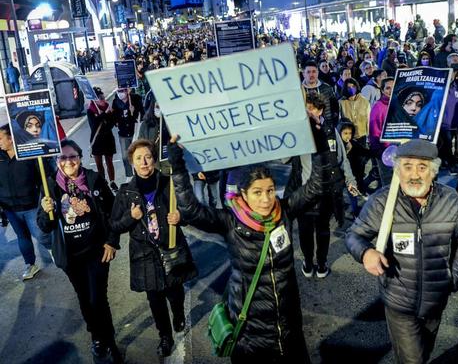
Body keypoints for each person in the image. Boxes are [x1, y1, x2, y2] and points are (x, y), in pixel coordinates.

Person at [168, 128, 329, 363]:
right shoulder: (229, 222)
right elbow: (191, 210)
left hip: (289, 330)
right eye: (257, 192)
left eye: (270, 191)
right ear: (243, 194)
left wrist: (320, 140)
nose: (266, 199)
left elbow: (317, 186)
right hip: (250, 337)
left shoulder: (284, 211)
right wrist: (177, 162)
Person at [345, 139, 458, 364]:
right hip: (399, 303)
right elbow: (354, 235)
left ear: (433, 171)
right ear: (398, 170)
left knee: (424, 353)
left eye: (422, 167)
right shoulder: (383, 201)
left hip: (436, 300)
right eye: (407, 166)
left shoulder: (450, 199)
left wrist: (454, 277)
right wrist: (366, 253)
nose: (414, 174)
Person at [110, 139, 197, 357]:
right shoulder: (125, 192)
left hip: (170, 248)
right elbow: (115, 225)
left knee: (175, 292)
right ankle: (164, 336)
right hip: (144, 255)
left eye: (148, 157)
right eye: (138, 158)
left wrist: (180, 217)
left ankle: (178, 315)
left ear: (154, 160)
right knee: (155, 300)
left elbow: (189, 209)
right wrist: (132, 216)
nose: (144, 162)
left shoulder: (168, 184)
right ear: (132, 163)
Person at [37, 139, 121, 363]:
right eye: (63, 157)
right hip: (71, 258)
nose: (68, 161)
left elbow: (114, 213)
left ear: (80, 157)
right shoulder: (50, 187)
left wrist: (112, 242)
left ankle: (109, 340)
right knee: (84, 298)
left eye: (72, 156)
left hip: (97, 252)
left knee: (98, 299)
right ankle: (97, 336)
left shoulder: (94, 179)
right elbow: (43, 226)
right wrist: (46, 212)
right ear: (57, 161)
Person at [289, 94, 357, 278]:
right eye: (307, 109)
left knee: (323, 229)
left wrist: (351, 182)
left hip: (327, 192)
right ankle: (308, 261)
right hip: (304, 192)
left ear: (320, 112)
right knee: (304, 231)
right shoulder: (298, 132)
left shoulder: (331, 131)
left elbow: (342, 160)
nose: (310, 113)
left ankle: (321, 262)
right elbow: (283, 158)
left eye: (314, 110)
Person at [0, 124, 52, 280]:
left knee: (42, 236)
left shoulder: (29, 154)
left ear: (11, 139)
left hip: (31, 205)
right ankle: (30, 265)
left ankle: (57, 253)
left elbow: (44, 177)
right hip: (10, 208)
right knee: (22, 238)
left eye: (0, 138)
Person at [439, 53, 458, 171]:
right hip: (446, 122)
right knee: (448, 144)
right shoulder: (442, 82)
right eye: (455, 60)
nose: (457, 62)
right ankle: (450, 163)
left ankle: (456, 161)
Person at [87, 87, 118, 191]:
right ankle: (103, 182)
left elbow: (111, 124)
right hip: (97, 141)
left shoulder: (109, 108)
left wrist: (107, 115)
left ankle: (112, 182)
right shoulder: (90, 110)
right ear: (94, 100)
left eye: (103, 97)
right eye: (100, 98)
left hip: (108, 139)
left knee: (109, 162)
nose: (103, 100)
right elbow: (93, 126)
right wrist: (103, 115)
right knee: (99, 164)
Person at [112, 88, 144, 178]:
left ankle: (140, 174)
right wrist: (116, 122)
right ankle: (130, 176)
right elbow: (114, 116)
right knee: (125, 157)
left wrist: (134, 112)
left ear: (127, 91)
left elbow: (142, 112)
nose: (120, 93)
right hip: (123, 133)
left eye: (122, 91)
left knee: (138, 155)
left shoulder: (135, 99)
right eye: (118, 91)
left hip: (135, 131)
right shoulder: (116, 102)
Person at [369, 77, 395, 186]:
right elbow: (374, 132)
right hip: (385, 153)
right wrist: (379, 153)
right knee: (388, 185)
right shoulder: (378, 107)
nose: (390, 90)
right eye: (388, 88)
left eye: (393, 87)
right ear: (382, 90)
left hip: (399, 151)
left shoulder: (399, 104)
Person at [301, 60, 339, 127]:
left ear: (318, 73)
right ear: (303, 74)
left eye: (314, 71)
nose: (311, 74)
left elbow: (335, 107)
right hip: (307, 127)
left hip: (327, 126)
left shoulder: (327, 88)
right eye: (308, 72)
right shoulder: (299, 91)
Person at [339, 78, 371, 147]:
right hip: (348, 137)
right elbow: (340, 121)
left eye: (353, 86)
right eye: (349, 87)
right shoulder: (341, 102)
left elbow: (368, 120)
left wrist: (368, 137)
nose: (351, 89)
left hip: (362, 135)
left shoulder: (364, 101)